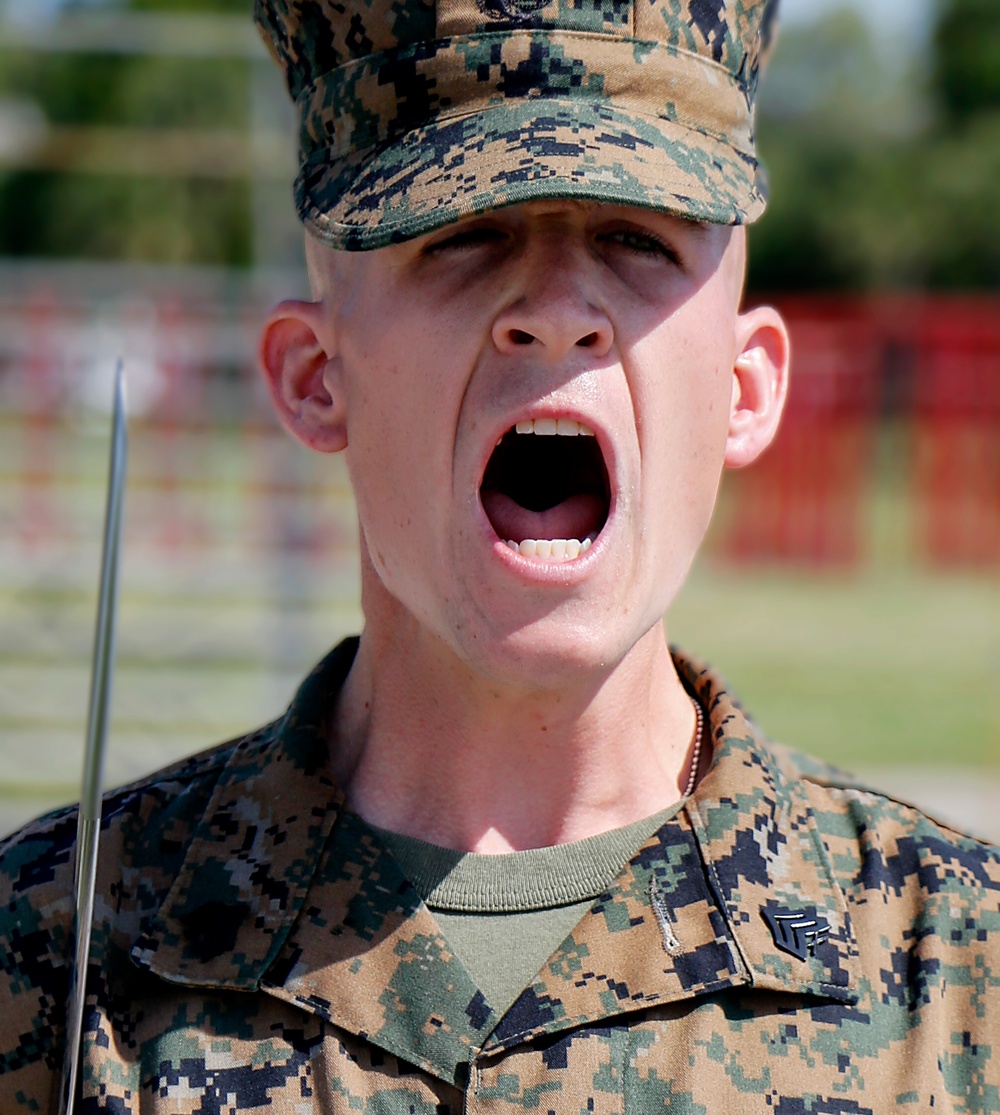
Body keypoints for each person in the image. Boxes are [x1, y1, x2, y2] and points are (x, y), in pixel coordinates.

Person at [2, 0, 999, 1110]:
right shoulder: (56, 963)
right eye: (461, 234)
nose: (557, 311)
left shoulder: (958, 980)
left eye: (638, 238)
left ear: (744, 387)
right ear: (313, 376)